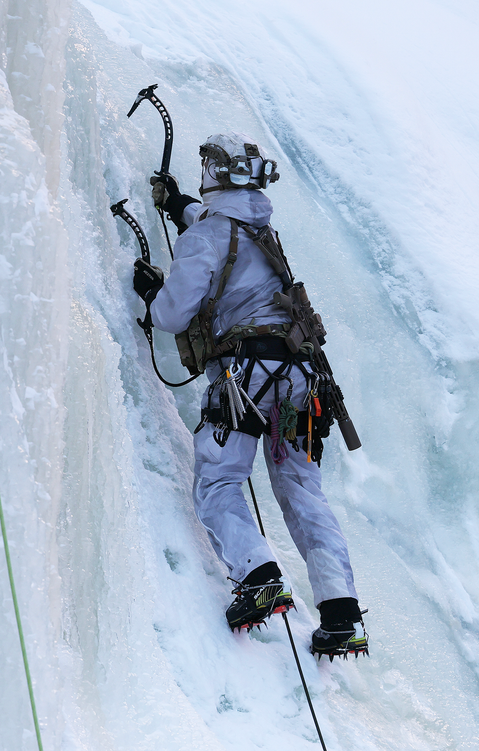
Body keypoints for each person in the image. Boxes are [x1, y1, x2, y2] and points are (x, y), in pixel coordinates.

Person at [132, 132, 368, 658]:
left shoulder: (212, 235)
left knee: (219, 481)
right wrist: (177, 208)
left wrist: (152, 292)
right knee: (303, 491)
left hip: (245, 376)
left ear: (214, 175)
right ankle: (342, 616)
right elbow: (215, 230)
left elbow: (172, 313)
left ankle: (260, 578)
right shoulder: (264, 232)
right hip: (301, 380)